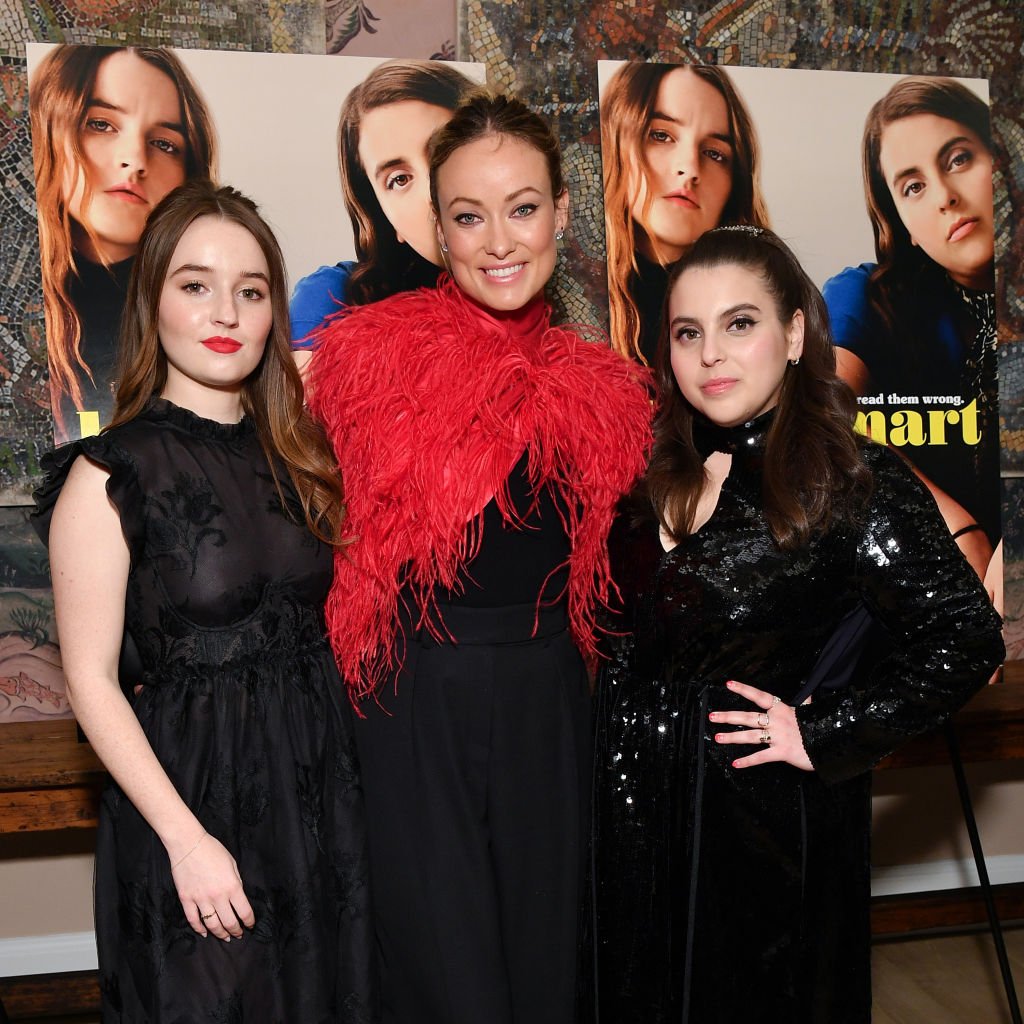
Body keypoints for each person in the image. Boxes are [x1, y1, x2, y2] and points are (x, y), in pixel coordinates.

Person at [587, 226, 1003, 1023]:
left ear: (795, 334)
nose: (711, 353)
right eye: (688, 332)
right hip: (634, 811)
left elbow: (965, 637)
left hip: (761, 830)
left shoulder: (851, 476)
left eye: (739, 324)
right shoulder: (650, 471)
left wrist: (824, 731)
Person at [305, 93, 652, 1024]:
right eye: (468, 215)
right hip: (412, 693)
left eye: (523, 207)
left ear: (563, 213)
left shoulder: (607, 394)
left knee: (546, 964)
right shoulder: (366, 361)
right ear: (437, 228)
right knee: (442, 972)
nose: (499, 240)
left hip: (550, 696)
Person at [32, 181, 376, 1022]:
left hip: (316, 801)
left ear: (272, 315)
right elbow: (90, 683)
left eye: (251, 290)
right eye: (195, 284)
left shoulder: (303, 457)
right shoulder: (110, 474)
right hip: (190, 807)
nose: (225, 309)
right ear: (154, 300)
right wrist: (186, 843)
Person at [823, 77, 999, 583]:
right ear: (902, 224)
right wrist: (959, 529)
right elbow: (822, 417)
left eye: (960, 158)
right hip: (920, 571)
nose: (945, 196)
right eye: (913, 186)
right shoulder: (866, 297)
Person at [30, 44, 217, 443]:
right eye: (101, 124)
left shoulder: (208, 313)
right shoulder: (23, 303)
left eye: (165, 143)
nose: (135, 159)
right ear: (50, 127)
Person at [289, 58, 477, 348]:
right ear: (384, 214)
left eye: (443, 152)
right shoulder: (333, 300)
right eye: (399, 180)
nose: (431, 193)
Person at [600, 62, 770, 364]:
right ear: (616, 142)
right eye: (661, 136)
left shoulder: (766, 301)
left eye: (714, 153)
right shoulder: (578, 302)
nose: (690, 169)